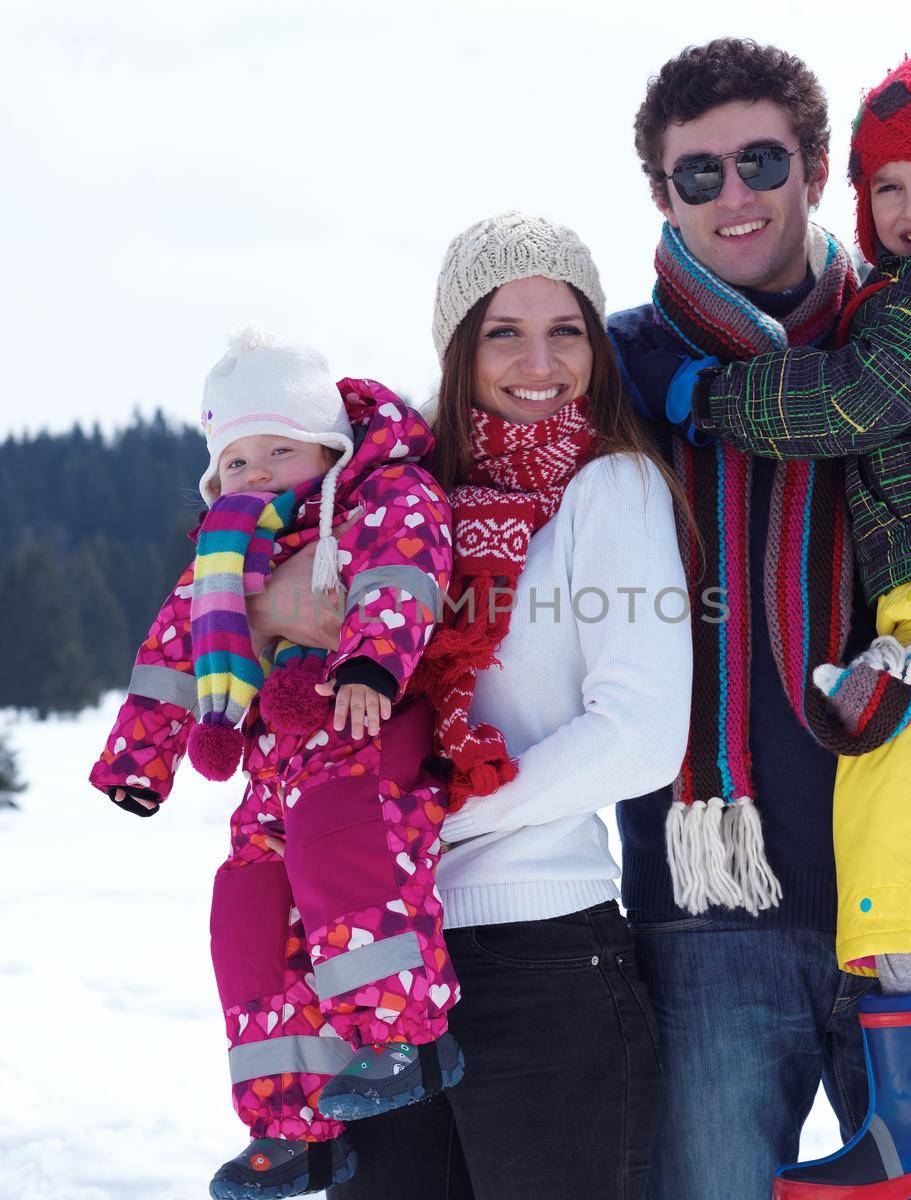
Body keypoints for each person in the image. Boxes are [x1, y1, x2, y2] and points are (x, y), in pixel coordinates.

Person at [608, 40, 911, 1199]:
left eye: (761, 160)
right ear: (660, 193)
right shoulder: (613, 365)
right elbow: (462, 498)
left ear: (817, 170)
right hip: (709, 911)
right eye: (697, 174)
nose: (734, 196)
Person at [328, 212, 688, 1200]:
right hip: (380, 965)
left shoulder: (608, 491)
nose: (540, 361)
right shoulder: (404, 514)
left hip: (544, 969)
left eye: (565, 329)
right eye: (503, 332)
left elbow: (639, 739)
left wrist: (427, 826)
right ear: (458, 352)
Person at [88, 327, 464, 1199]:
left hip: (363, 726)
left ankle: (404, 1036)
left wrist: (372, 659)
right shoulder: (221, 559)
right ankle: (292, 1125)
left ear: (328, 448)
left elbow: (404, 577)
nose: (256, 474)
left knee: (346, 860)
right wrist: (139, 760)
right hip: (273, 767)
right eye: (238, 460)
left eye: (280, 450)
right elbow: (169, 657)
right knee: (248, 912)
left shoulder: (383, 498)